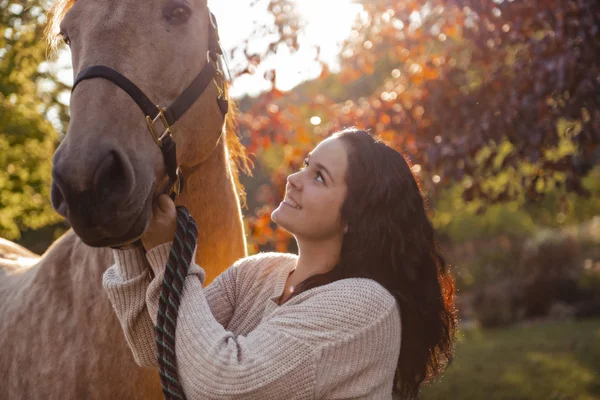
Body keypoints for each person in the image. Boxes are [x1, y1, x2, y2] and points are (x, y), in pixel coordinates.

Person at [103, 127, 457, 399]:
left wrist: (168, 255)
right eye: (306, 165)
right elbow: (156, 345)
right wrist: (126, 236)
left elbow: (222, 385)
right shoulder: (257, 273)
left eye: (319, 177)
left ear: (356, 217)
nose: (293, 180)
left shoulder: (366, 305)